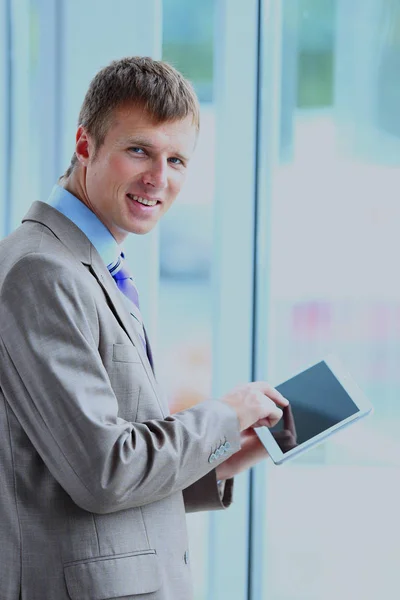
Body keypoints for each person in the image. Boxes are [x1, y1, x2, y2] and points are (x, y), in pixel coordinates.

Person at [0, 56, 288, 600]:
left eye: (177, 159)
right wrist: (227, 412)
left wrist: (224, 454)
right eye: (140, 151)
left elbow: (75, 471)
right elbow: (104, 471)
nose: (159, 178)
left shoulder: (88, 266)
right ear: (85, 145)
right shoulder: (43, 271)